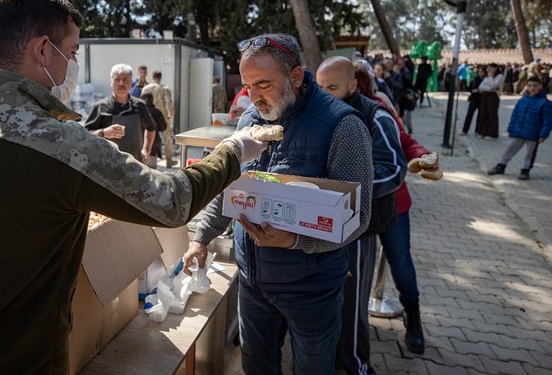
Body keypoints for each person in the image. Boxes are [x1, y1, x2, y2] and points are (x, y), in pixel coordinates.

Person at [0, 0, 270, 374]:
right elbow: (172, 201)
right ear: (43, 50)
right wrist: (234, 152)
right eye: (71, 52)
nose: (74, 65)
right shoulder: (62, 145)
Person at [183, 34, 374, 375]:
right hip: (254, 284)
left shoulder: (342, 126)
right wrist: (201, 239)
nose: (253, 97)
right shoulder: (249, 122)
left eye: (264, 85)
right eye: (246, 85)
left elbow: (357, 216)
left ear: (296, 77)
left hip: (311, 290)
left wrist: (294, 241)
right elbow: (227, 189)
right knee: (256, 367)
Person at [317, 57, 407, 375]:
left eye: (333, 87)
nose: (325, 93)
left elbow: (395, 169)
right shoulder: (316, 112)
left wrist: (351, 191)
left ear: (353, 85)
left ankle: (357, 363)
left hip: (358, 224)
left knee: (352, 300)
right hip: (320, 222)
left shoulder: (376, 115)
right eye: (320, 86)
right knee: (326, 295)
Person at [353, 64, 442, 355]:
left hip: (391, 202)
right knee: (356, 271)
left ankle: (413, 319)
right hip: (353, 206)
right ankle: (352, 327)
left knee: (400, 259)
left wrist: (422, 156)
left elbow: (403, 141)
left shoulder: (379, 109)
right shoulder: (329, 109)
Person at [85, 64, 156, 163]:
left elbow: (151, 128)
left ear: (131, 83)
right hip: (106, 166)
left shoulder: (140, 105)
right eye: (117, 79)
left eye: (125, 80)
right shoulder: (100, 107)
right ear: (111, 82)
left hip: (135, 165)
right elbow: (85, 134)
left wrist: (146, 150)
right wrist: (103, 132)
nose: (121, 83)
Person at [487, 76, 552, 180]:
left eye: (535, 86)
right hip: (518, 131)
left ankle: (525, 170)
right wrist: (510, 128)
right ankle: (501, 166)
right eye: (530, 85)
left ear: (540, 87)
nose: (532, 88)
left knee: (529, 154)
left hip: (533, 133)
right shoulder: (523, 100)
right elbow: (515, 115)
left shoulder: (545, 103)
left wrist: (543, 135)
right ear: (527, 87)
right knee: (509, 148)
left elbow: (547, 121)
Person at [142, 71, 175, 167]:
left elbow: (142, 101)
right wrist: (171, 114)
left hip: (148, 114)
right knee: (167, 137)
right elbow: (168, 102)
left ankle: (146, 159)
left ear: (152, 77)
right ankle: (169, 161)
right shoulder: (164, 88)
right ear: (160, 77)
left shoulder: (145, 88)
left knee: (147, 137)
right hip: (162, 115)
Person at [475, 63, 503, 138]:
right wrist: (489, 88)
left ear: (495, 68)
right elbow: (481, 87)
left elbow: (494, 85)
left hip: (493, 97)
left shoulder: (499, 76)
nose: (489, 70)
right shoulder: (486, 77)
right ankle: (482, 132)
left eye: (491, 68)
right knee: (483, 113)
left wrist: (491, 78)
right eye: (488, 68)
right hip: (485, 96)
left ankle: (492, 133)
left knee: (492, 114)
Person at [141, 92, 167, 169]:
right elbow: (163, 127)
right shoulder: (157, 111)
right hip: (154, 142)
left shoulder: (138, 111)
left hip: (139, 143)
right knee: (152, 170)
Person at [461, 66, 486, 136]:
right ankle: (465, 130)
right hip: (474, 98)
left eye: (481, 72)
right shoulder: (475, 79)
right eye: (479, 72)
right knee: (469, 114)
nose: (480, 73)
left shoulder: (486, 80)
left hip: (482, 99)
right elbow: (471, 88)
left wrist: (478, 90)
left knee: (480, 116)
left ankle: (477, 130)